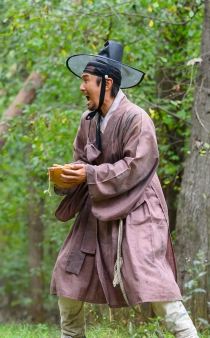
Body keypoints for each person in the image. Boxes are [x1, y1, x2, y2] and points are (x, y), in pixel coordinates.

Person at [49, 41, 198, 338]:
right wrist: (66, 178)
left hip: (139, 208)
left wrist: (89, 173)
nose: (81, 88)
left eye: (85, 81)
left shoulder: (137, 118)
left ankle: (186, 335)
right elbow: (81, 161)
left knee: (152, 280)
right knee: (68, 271)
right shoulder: (87, 120)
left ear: (106, 83)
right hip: (97, 205)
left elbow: (137, 167)